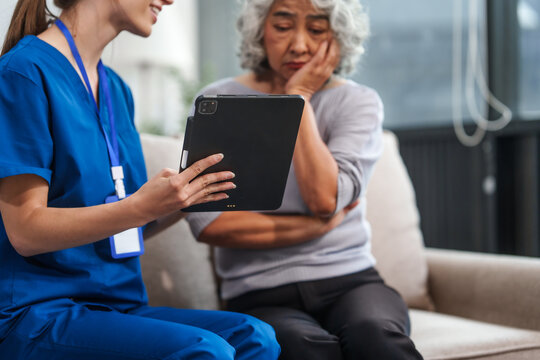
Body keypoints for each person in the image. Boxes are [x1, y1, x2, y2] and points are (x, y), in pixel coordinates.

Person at [0, 0, 281, 359]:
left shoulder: (116, 88)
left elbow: (122, 224)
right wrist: (138, 206)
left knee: (256, 336)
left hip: (118, 306)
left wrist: (184, 197)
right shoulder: (22, 73)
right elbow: (25, 230)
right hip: (37, 313)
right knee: (204, 350)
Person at [185, 0, 424, 359]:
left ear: (338, 37)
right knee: (304, 348)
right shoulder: (220, 100)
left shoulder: (358, 103)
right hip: (258, 293)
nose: (299, 45)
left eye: (316, 29)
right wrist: (316, 228)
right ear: (259, 32)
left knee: (375, 335)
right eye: (282, 27)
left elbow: (324, 199)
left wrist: (297, 99)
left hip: (351, 281)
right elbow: (211, 224)